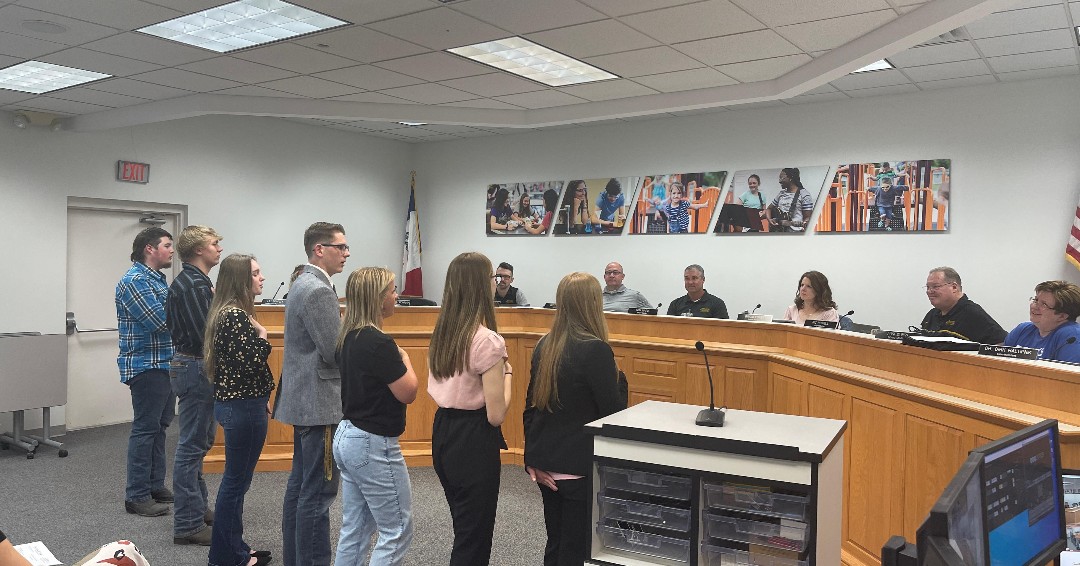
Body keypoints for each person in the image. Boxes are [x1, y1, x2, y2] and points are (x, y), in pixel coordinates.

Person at [523, 272, 628, 566]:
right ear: (593, 304)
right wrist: (621, 381)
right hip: (579, 469)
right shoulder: (596, 350)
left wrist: (531, 458)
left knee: (556, 543)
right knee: (575, 549)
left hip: (547, 466)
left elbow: (531, 407)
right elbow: (613, 413)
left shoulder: (546, 345)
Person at [427, 252, 511, 566]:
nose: (496, 283)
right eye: (492, 277)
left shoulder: (443, 333)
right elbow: (496, 414)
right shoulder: (487, 340)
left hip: (444, 433)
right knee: (474, 537)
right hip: (474, 439)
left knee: (464, 526)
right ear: (480, 285)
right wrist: (509, 376)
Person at [273, 222, 349, 566]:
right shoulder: (318, 290)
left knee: (301, 488)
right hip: (320, 406)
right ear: (320, 249)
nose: (346, 253)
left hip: (306, 401)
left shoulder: (303, 283)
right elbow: (335, 351)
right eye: (340, 247)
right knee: (318, 494)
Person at [333, 267, 419, 566]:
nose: (397, 296)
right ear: (379, 299)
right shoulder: (379, 343)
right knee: (396, 529)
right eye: (393, 291)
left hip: (348, 435)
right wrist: (406, 359)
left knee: (356, 529)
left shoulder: (349, 336)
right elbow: (408, 392)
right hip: (372, 443)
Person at [204, 254, 274, 566]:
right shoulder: (234, 317)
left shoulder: (231, 313)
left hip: (243, 403)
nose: (262, 278)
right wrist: (263, 337)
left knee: (237, 482)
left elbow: (239, 369)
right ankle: (228, 556)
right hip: (242, 408)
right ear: (240, 280)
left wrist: (262, 394)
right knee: (235, 483)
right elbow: (247, 365)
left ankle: (235, 549)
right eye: (256, 273)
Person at [165, 225, 223, 545]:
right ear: (199, 250)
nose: (219, 249)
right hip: (195, 366)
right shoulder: (192, 286)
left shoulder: (198, 282)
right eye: (214, 244)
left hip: (195, 366)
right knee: (190, 448)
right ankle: (187, 524)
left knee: (199, 444)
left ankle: (197, 508)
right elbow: (208, 335)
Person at [115, 226, 176, 518]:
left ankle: (154, 486)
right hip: (146, 365)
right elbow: (159, 321)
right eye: (166, 245)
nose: (171, 250)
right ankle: (136, 495)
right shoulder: (135, 281)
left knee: (160, 428)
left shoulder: (157, 280)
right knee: (145, 429)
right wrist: (190, 311)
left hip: (164, 363)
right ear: (149, 249)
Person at [920, 267, 1007, 344]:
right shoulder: (931, 315)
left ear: (954, 287)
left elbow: (1002, 344)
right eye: (928, 287)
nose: (929, 291)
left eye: (935, 286)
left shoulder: (972, 313)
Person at [1004, 281, 1080, 363]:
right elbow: (999, 362)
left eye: (1044, 304)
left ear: (1062, 316)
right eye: (1036, 300)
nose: (1034, 306)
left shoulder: (1071, 336)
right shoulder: (1023, 330)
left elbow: (1065, 374)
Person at [765, 168, 815, 232]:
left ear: (790, 178)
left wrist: (805, 227)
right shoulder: (781, 193)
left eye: (782, 178)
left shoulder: (804, 195)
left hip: (796, 233)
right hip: (780, 232)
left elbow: (808, 217)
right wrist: (770, 220)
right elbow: (769, 209)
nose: (780, 181)